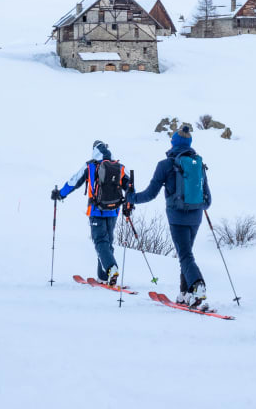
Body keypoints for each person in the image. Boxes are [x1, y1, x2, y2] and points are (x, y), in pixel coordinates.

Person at [126, 123, 211, 307]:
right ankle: (185, 293)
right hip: (196, 217)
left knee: (185, 255)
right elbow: (208, 201)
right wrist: (194, 205)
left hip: (177, 218)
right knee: (186, 254)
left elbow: (150, 194)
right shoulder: (198, 164)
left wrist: (131, 198)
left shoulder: (165, 165)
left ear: (173, 143)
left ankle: (198, 286)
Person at [51, 140, 130, 285]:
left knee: (100, 241)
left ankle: (111, 268)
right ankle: (103, 277)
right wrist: (129, 204)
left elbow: (73, 181)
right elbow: (130, 186)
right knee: (107, 243)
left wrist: (60, 194)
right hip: (114, 211)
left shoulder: (90, 166)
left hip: (96, 210)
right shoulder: (119, 167)